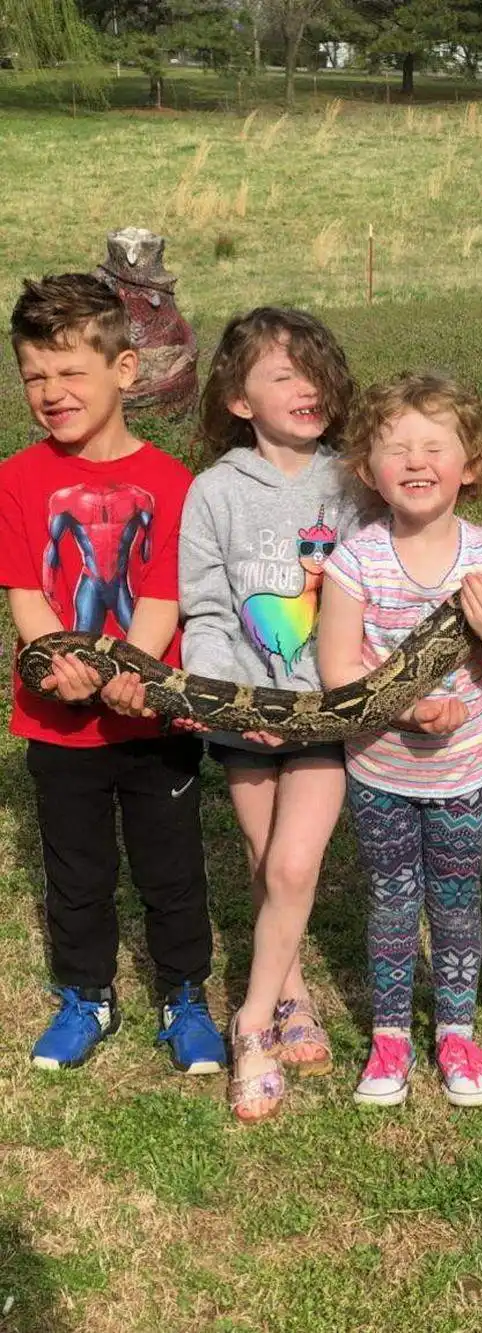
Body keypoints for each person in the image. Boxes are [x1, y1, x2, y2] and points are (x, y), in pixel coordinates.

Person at [0, 273, 225, 1074]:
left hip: (150, 713)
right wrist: (62, 668)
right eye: (34, 375)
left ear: (124, 370)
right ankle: (85, 994)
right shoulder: (16, 478)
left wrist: (133, 676)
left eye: (70, 371)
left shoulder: (173, 482)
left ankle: (184, 995)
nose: (51, 391)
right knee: (76, 869)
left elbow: (163, 596)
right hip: (55, 718)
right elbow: (27, 593)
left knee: (172, 867)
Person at [319, 373, 482, 1108]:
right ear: (366, 469)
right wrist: (406, 710)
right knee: (389, 896)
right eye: (396, 448)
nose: (416, 461)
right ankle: (390, 1036)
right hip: (379, 767)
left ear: (470, 464)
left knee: (456, 897)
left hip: (465, 771)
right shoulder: (356, 560)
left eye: (434, 446)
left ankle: (456, 1032)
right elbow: (338, 672)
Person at [178, 307, 359, 1123]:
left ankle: (250, 1021)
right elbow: (207, 610)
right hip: (242, 716)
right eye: (284, 374)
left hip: (323, 714)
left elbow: (372, 592)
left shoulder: (352, 483)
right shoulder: (213, 492)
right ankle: (292, 991)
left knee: (291, 866)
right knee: (263, 859)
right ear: (240, 399)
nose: (305, 387)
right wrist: (228, 697)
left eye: (315, 371)